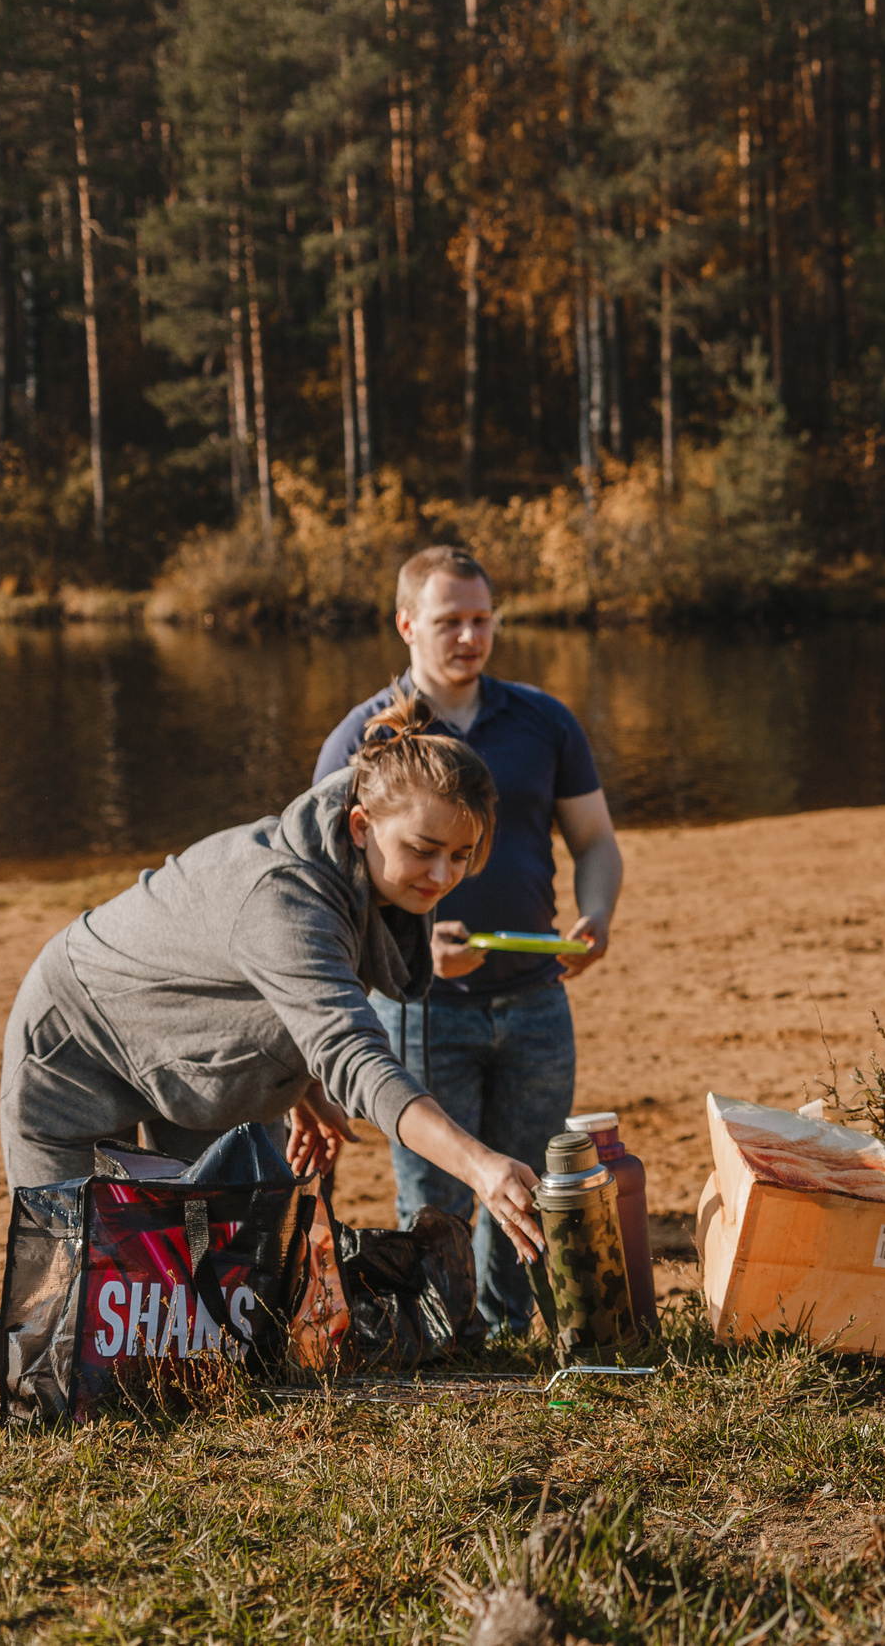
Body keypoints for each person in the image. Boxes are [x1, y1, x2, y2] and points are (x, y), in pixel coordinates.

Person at [0, 705, 546, 1265]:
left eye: (460, 856)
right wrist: (479, 1164)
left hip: (194, 1063)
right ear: (361, 825)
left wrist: (300, 1079)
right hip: (73, 1054)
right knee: (77, 1279)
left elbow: (271, 990)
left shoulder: (364, 878)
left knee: (218, 1275)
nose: (441, 876)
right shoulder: (284, 896)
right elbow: (354, 1056)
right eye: (423, 850)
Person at [313, 546, 623, 1335]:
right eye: (450, 620)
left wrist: (596, 914)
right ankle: (446, 1345)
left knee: (529, 1187)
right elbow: (327, 890)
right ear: (407, 623)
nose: (470, 636)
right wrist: (413, 944)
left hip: (535, 1003)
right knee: (435, 1201)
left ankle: (512, 1334)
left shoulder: (544, 720)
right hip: (418, 1010)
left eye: (482, 619)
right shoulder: (362, 735)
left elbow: (594, 839)